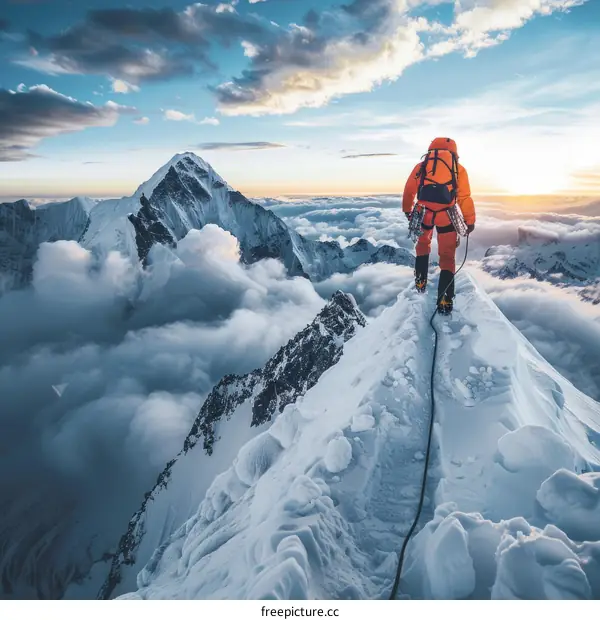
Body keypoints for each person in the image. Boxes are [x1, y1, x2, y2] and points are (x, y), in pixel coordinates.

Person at [402, 137, 475, 314]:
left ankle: (420, 282)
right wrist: (470, 220)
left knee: (422, 245)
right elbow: (464, 197)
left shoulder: (421, 167)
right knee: (447, 256)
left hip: (423, 212)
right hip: (447, 215)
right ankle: (445, 300)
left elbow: (409, 189)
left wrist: (407, 210)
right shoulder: (459, 170)